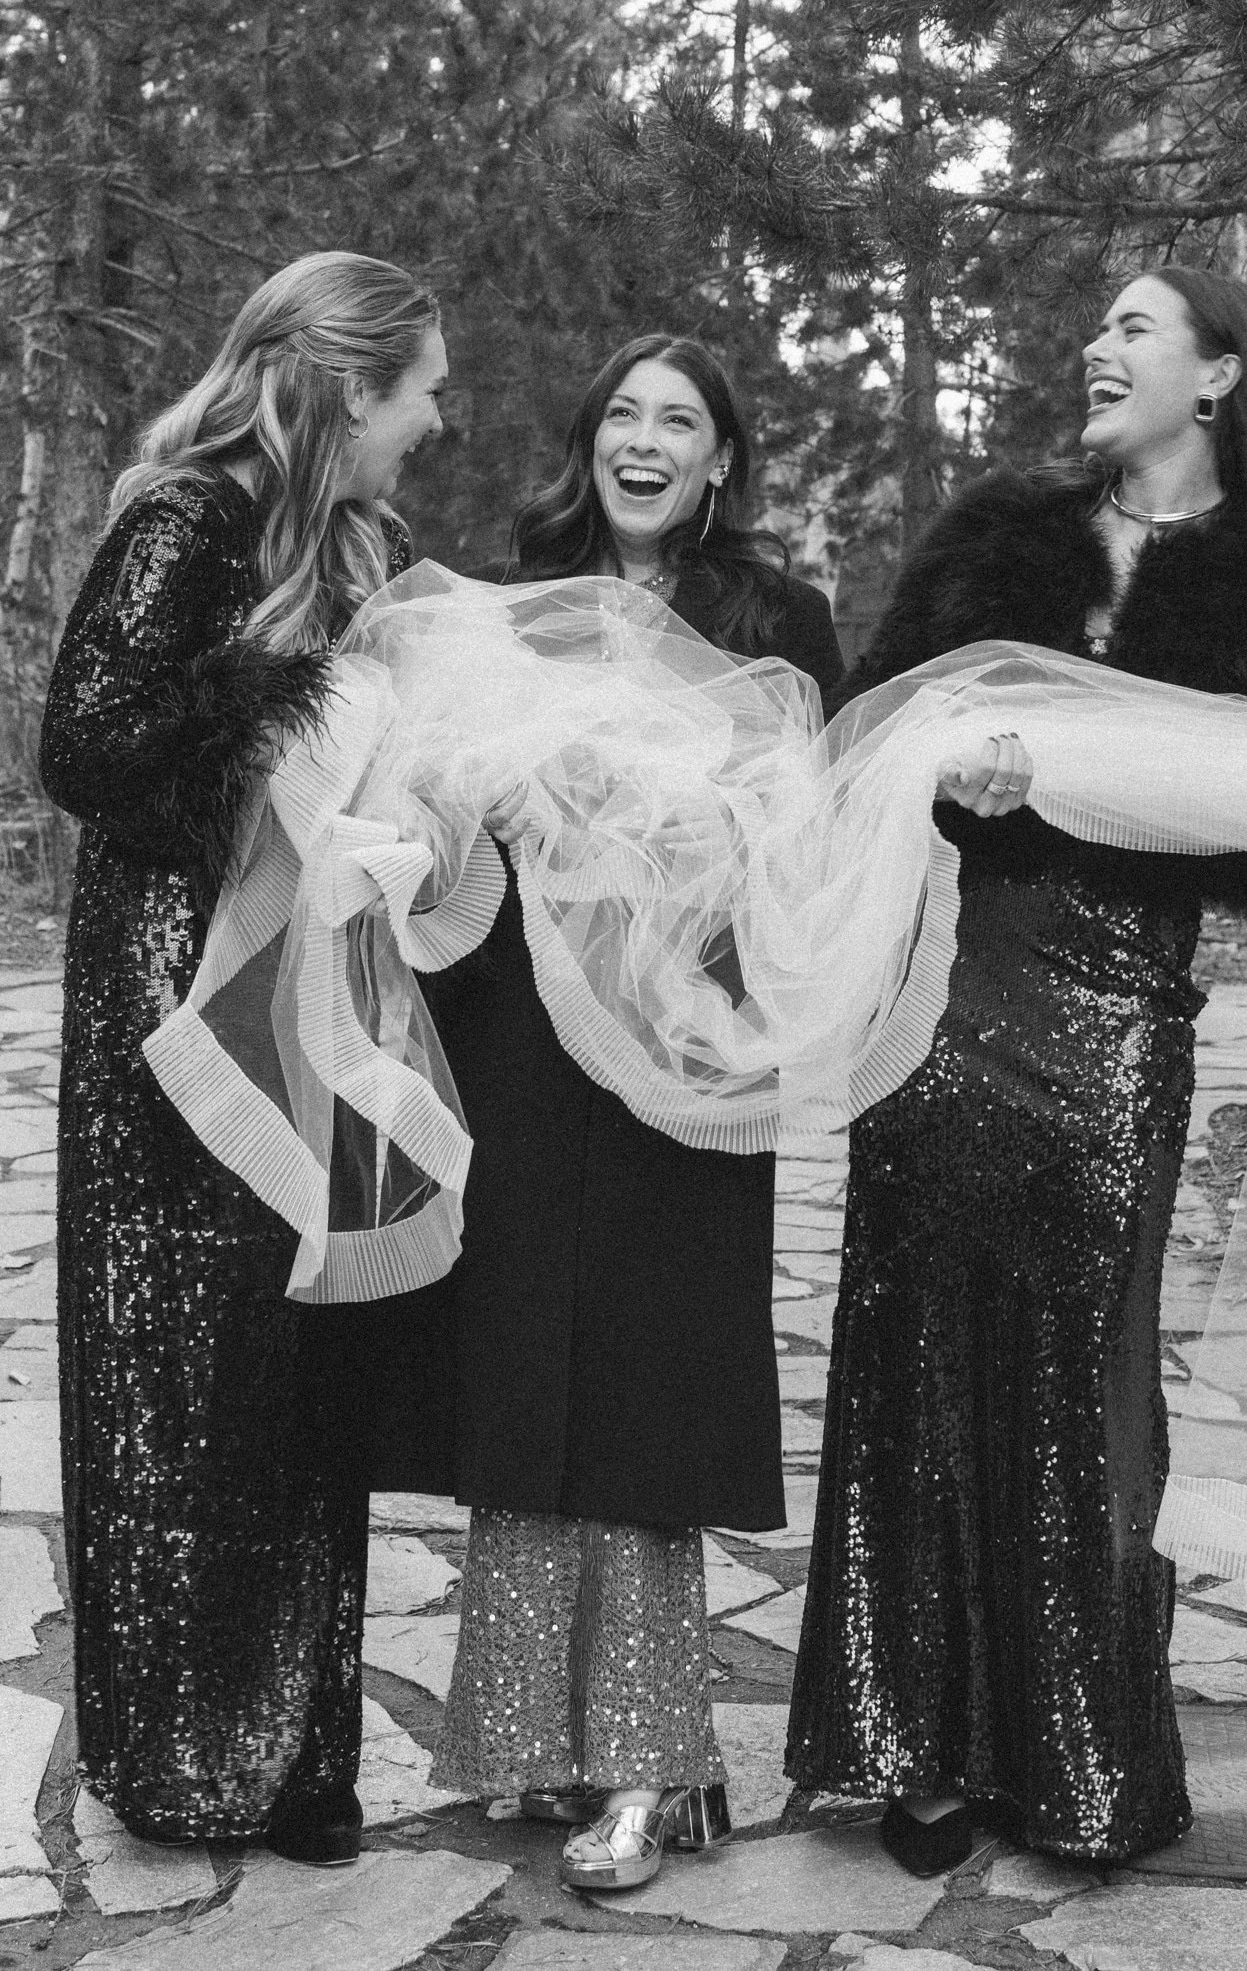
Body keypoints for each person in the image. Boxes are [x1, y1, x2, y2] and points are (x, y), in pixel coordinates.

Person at [785, 266, 1247, 1873]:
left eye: (1136, 327)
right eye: (1091, 323)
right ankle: (923, 1748)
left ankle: (1085, 1760)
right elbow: (871, 745)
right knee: (914, 1350)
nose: (1097, 345)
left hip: (1116, 1013)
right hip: (946, 996)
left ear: (1222, 374)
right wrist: (963, 777)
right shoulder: (992, 534)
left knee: (1087, 1384)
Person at [316, 333, 854, 1891]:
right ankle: (526, 1742)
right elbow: (437, 788)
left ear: (722, 462)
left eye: (679, 419)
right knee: (524, 1369)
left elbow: (801, 825)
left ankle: (649, 1762)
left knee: (653, 1378)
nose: (644, 437)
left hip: (686, 1035)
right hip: (522, 1034)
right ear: (590, 441)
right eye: (623, 411)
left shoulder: (776, 618)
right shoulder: (511, 600)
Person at [39, 250, 448, 1860]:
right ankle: (185, 1756)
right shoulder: (184, 517)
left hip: (318, 995)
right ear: (349, 384)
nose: (438, 416)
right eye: (422, 385)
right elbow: (84, 744)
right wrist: (291, 705)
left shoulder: (370, 543)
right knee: (178, 1383)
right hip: (170, 1012)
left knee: (303, 1368)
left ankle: (301, 1750)